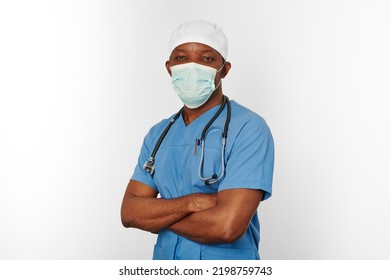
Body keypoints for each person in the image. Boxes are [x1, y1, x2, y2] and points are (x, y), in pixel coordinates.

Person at [121, 20, 274, 260]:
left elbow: (227, 226)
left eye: (207, 59)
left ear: (224, 69)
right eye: (181, 58)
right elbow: (129, 213)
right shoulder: (158, 134)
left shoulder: (248, 128)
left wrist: (155, 216)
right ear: (169, 67)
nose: (192, 67)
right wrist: (193, 203)